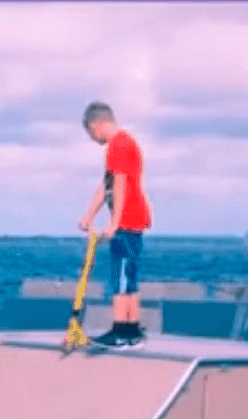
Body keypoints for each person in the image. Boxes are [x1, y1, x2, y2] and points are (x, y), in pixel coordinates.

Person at [76, 100, 153, 347]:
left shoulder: (118, 145)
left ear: (96, 125)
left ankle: (120, 331)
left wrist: (114, 224)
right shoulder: (124, 143)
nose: (93, 139)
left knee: (120, 278)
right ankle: (132, 331)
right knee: (129, 276)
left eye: (91, 134)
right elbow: (106, 184)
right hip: (134, 219)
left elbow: (119, 186)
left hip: (128, 220)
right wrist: (89, 215)